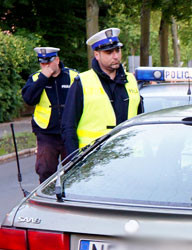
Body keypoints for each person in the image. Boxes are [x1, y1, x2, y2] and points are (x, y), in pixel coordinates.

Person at [61, 28, 142, 154]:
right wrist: (75, 160)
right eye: (109, 52)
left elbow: (140, 119)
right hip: (92, 160)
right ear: (97, 55)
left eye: (117, 50)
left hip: (128, 155)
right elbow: (68, 126)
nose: (115, 56)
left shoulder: (131, 80)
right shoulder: (81, 82)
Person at [21, 47, 78, 183]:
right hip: (46, 133)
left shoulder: (72, 76)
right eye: (42, 63)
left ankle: (69, 196)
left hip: (69, 131)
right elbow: (29, 99)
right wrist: (42, 79)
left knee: (73, 168)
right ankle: (48, 197)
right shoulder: (36, 78)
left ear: (57, 60)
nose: (46, 66)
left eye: (49, 62)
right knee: (45, 169)